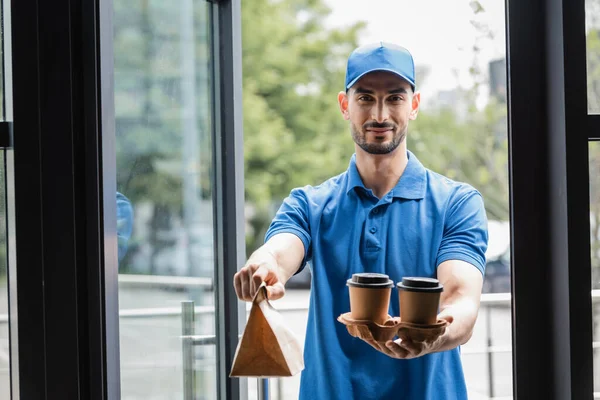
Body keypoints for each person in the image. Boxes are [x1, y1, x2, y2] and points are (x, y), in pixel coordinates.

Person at [233, 42, 488, 400]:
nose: (380, 114)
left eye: (395, 98)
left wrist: (437, 334)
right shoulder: (310, 204)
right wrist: (263, 266)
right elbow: (279, 251)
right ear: (345, 105)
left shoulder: (456, 203)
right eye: (365, 98)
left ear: (414, 105)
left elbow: (461, 298)